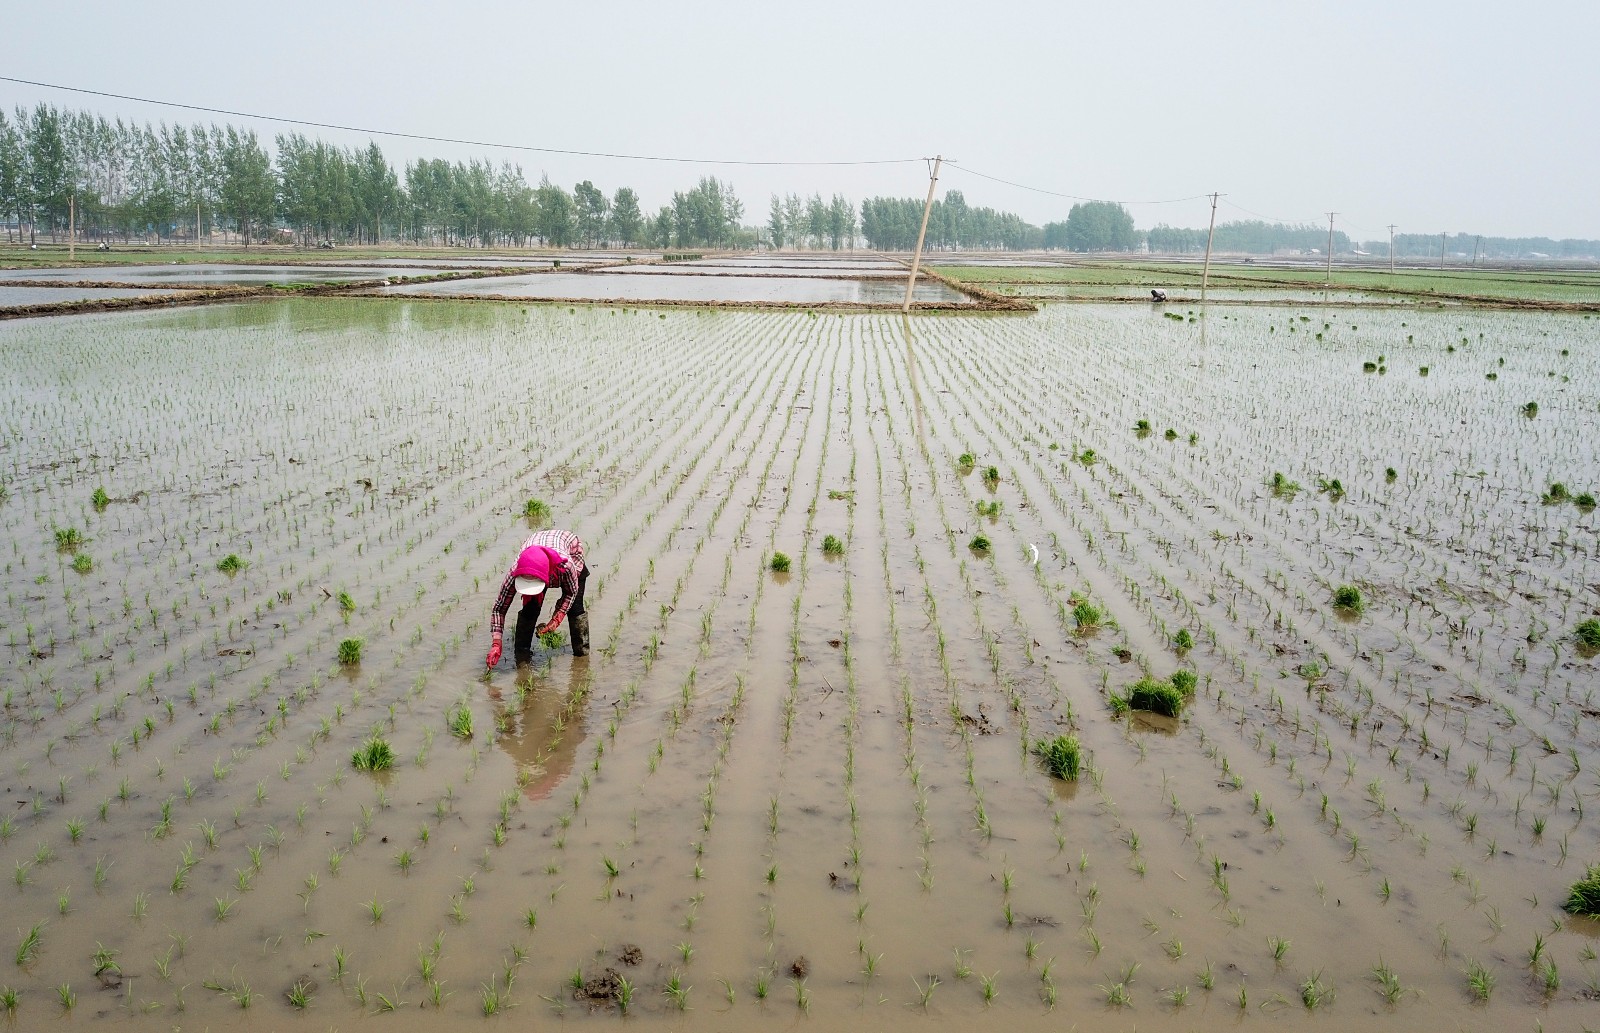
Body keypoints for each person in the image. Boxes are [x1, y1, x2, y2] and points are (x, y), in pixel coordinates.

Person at [486, 528, 589, 667]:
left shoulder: (566, 565)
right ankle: (522, 657)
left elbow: (571, 593)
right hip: (534, 555)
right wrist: (496, 643)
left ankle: (582, 656)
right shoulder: (514, 571)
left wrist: (556, 620)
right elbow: (499, 608)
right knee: (530, 608)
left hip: (568, 550)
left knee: (575, 608)